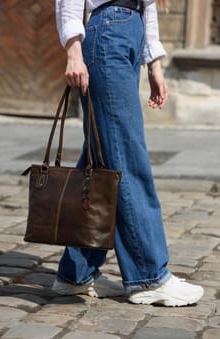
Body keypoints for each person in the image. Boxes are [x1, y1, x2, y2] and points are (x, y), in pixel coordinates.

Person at [53, 0, 204, 306]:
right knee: (126, 157)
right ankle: (149, 277)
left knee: (104, 158)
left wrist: (154, 64)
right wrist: (73, 51)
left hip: (127, 33)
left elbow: (147, 5)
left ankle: (75, 274)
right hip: (107, 33)